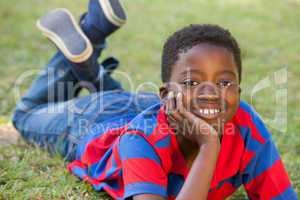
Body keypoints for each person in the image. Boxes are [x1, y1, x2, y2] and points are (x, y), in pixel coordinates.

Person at [12, 0, 297, 199]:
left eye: (224, 82)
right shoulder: (141, 140)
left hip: (150, 106)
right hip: (96, 122)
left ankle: (92, 48)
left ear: (239, 89)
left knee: (130, 100)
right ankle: (92, 39)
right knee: (24, 116)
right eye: (192, 82)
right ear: (166, 95)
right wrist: (209, 144)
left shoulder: (245, 123)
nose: (211, 92)